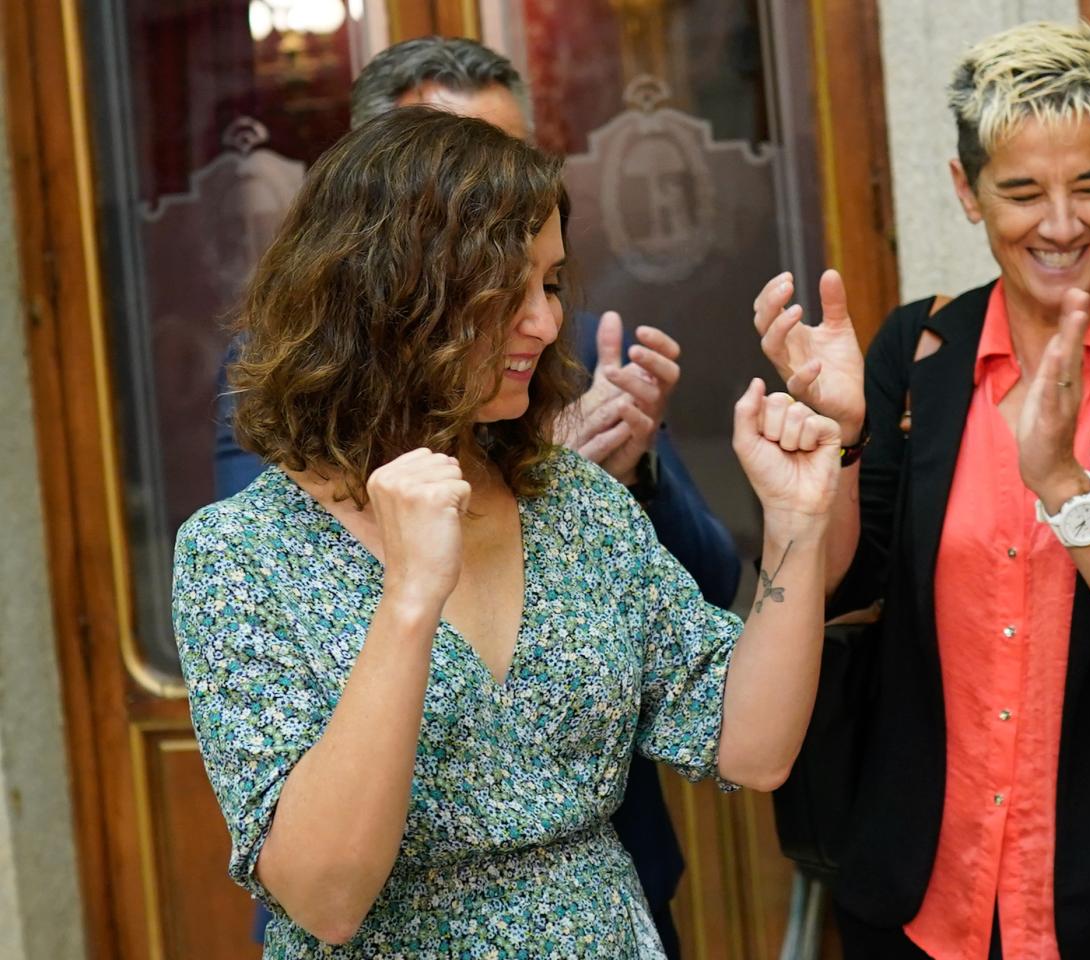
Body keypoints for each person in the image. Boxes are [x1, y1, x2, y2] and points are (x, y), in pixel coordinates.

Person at [175, 107, 841, 957]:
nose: (545, 322)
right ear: (393, 291)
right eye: (507, 289)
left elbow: (752, 747)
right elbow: (325, 895)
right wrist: (410, 599)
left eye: (552, 283)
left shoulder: (573, 502)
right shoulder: (237, 557)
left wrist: (799, 523)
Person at [751, 20, 1090, 958]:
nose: (1063, 224)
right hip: (929, 900)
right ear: (967, 192)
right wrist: (839, 446)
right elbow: (844, 585)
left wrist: (1065, 485)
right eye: (1023, 192)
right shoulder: (920, 357)